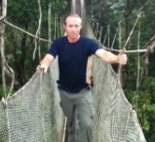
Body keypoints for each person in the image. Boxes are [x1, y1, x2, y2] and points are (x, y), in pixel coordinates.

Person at [37, 13, 127, 142]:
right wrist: (44, 65)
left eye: (76, 26)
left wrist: (116, 58)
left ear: (81, 27)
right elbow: (49, 57)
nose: (73, 29)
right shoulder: (58, 43)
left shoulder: (88, 43)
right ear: (65, 27)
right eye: (70, 26)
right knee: (71, 125)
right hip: (64, 92)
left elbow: (103, 54)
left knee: (86, 124)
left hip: (82, 92)